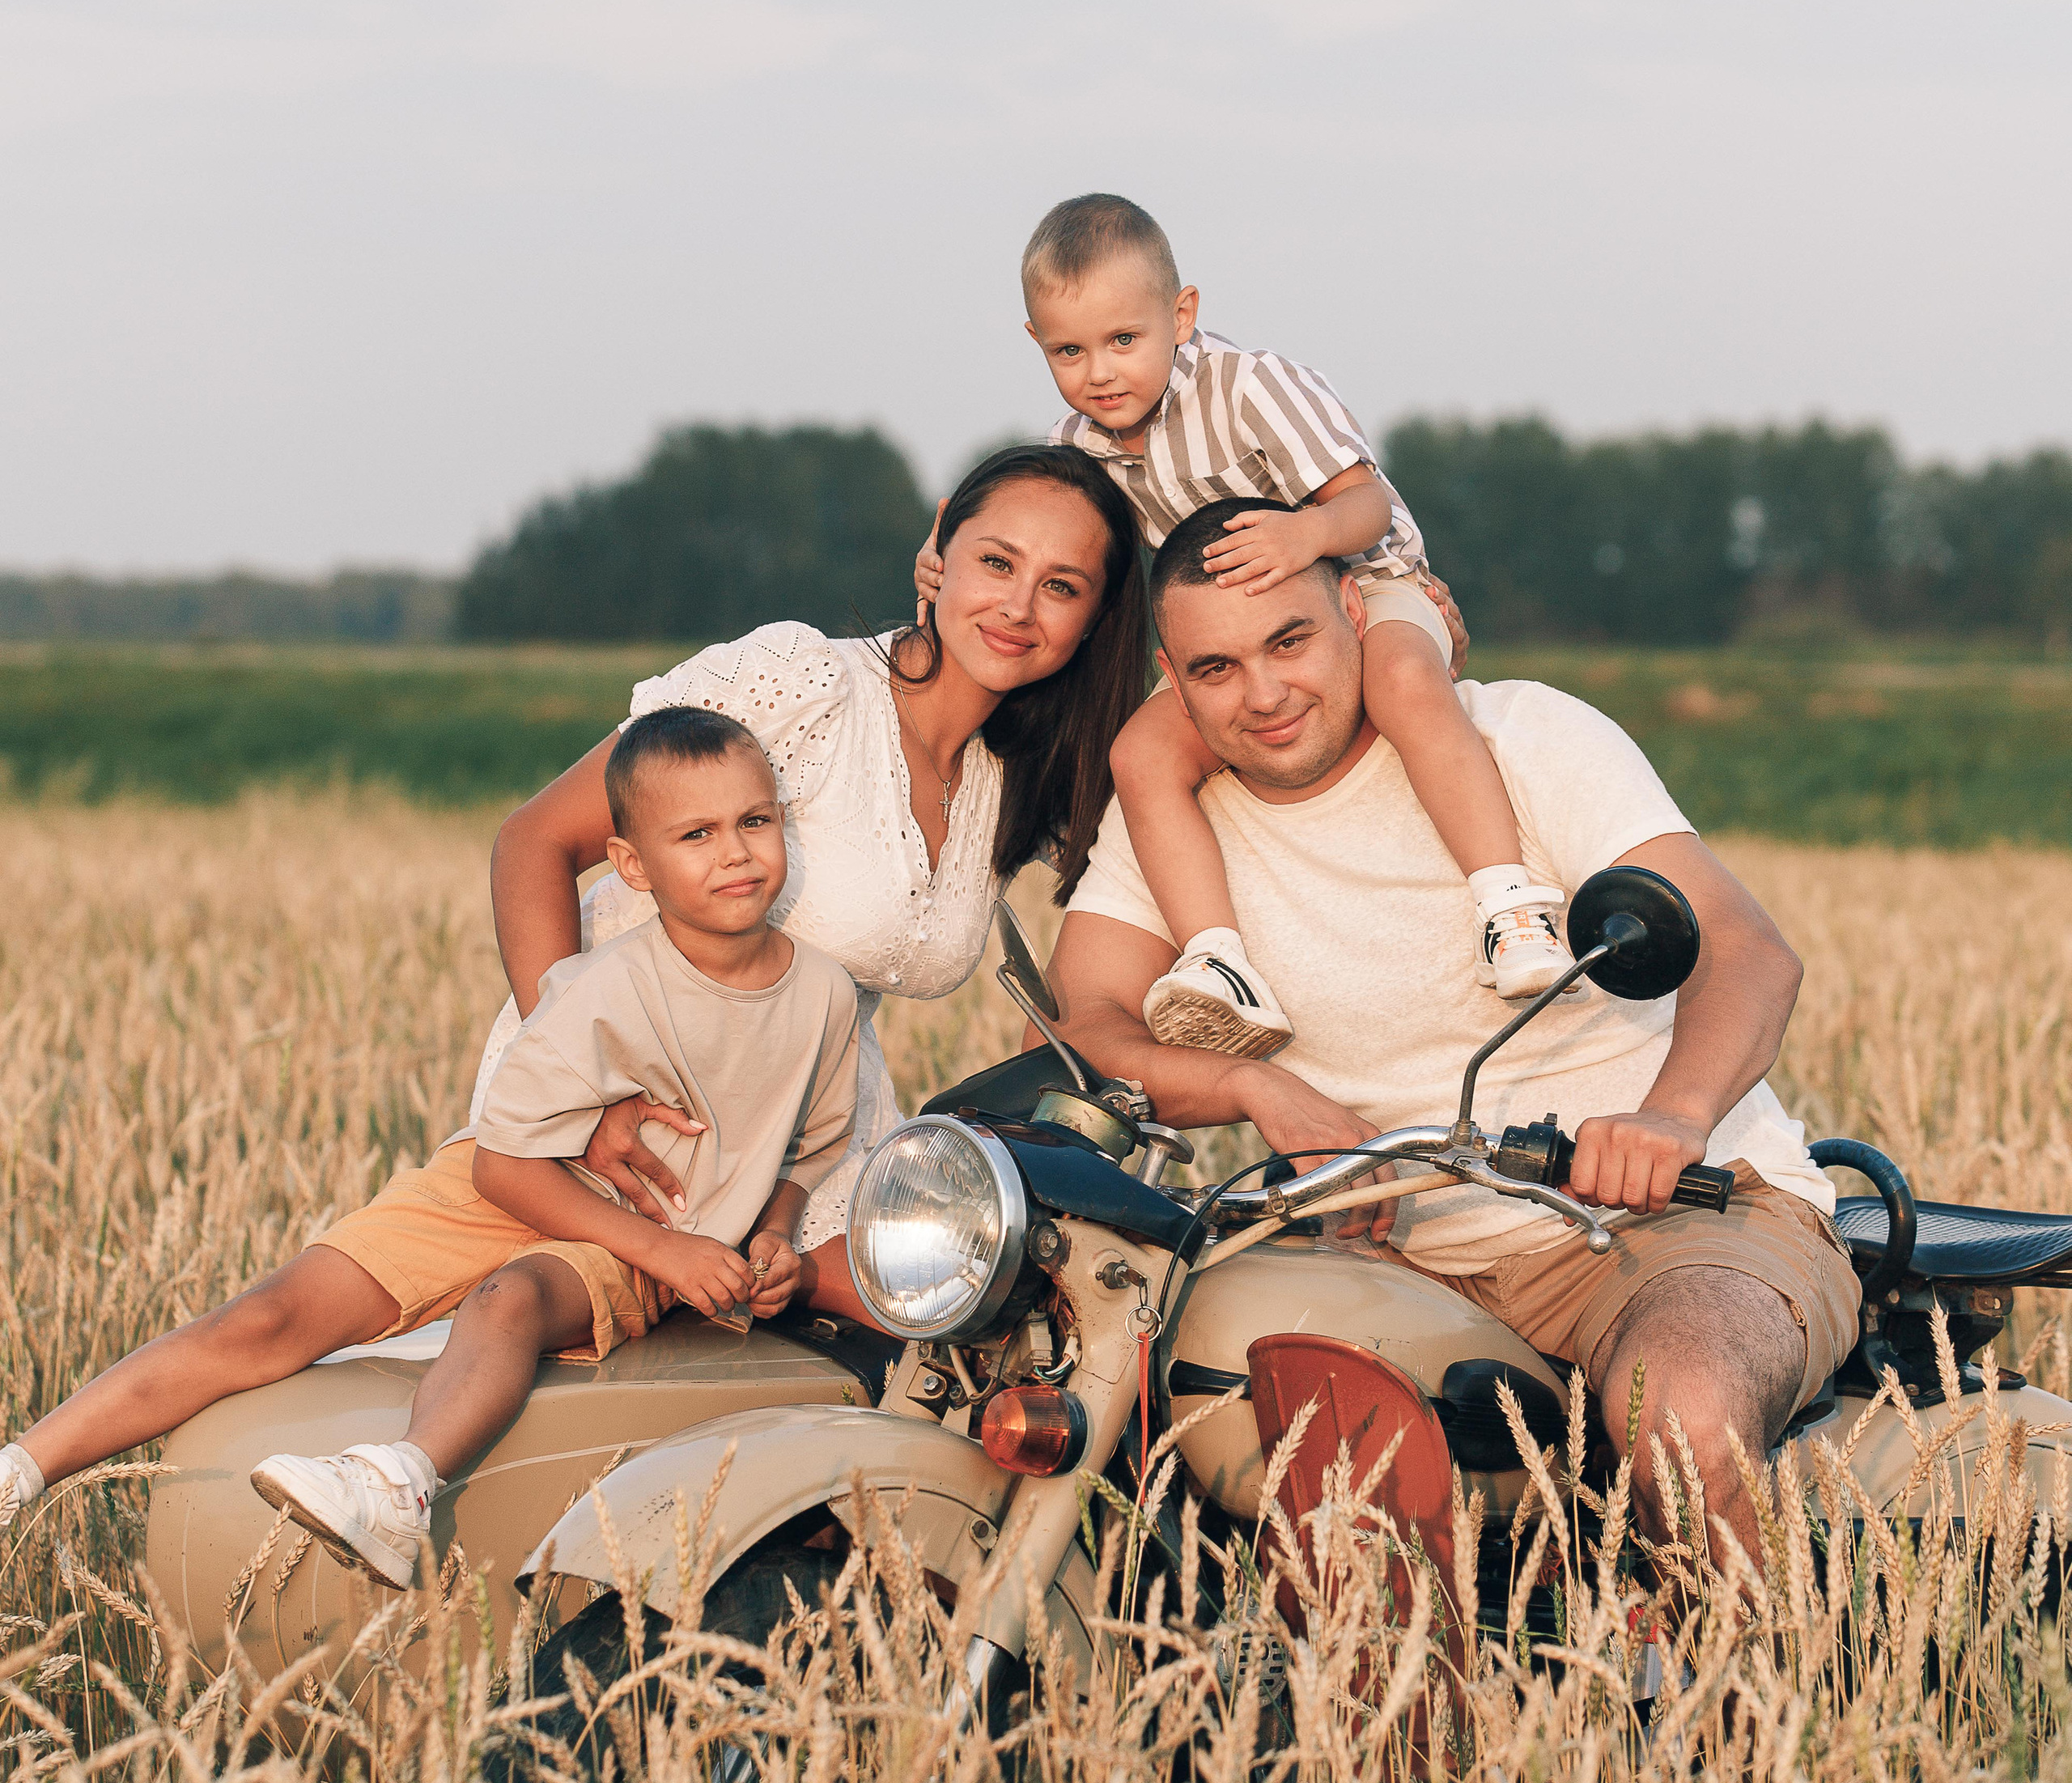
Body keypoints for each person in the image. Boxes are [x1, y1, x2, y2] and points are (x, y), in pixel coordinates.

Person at [1040, 497, 1860, 1564]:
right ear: (1171, 674)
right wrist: (1257, 1091)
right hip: (1390, 1255)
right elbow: (1086, 1027)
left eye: (1291, 642)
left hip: (1666, 1225)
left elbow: (1750, 952)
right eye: (1216, 669)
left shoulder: (1520, 737)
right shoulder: (1173, 823)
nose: (1266, 694)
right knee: (1164, 1397)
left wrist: (1673, 1117)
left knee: (1685, 1414)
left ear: (1354, 608)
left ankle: (1760, 1719)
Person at [0, 710, 860, 1587]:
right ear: (632, 864)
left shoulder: (823, 994)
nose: (736, 853)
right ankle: (19, 1470)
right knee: (270, 1316)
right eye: (696, 833)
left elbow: (812, 1141)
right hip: (517, 1188)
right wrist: (666, 1247)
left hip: (638, 1238)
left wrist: (771, 1236)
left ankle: (399, 1489)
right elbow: (501, 1164)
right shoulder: (602, 985)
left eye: (755, 822)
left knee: (509, 1299)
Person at [480, 443, 1150, 1308]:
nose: (1018, 606)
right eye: (996, 561)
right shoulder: (806, 683)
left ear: (1097, 617)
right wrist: (580, 1081)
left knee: (1015, 1307)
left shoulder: (1021, 779)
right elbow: (533, 840)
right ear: (938, 548)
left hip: (807, 1131)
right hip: (637, 1099)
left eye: (1061, 586)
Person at [918, 195, 1571, 1068]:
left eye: (1123, 340)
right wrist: (945, 555)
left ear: (1181, 315)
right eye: (1069, 351)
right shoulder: (1078, 445)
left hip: (1365, 588)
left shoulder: (1252, 386)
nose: (1100, 372)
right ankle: (1219, 959)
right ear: (1036, 340)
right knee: (1140, 758)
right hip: (1224, 645)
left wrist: (1304, 535)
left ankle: (1508, 902)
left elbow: (1364, 499)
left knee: (1407, 686)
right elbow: (1037, 523)